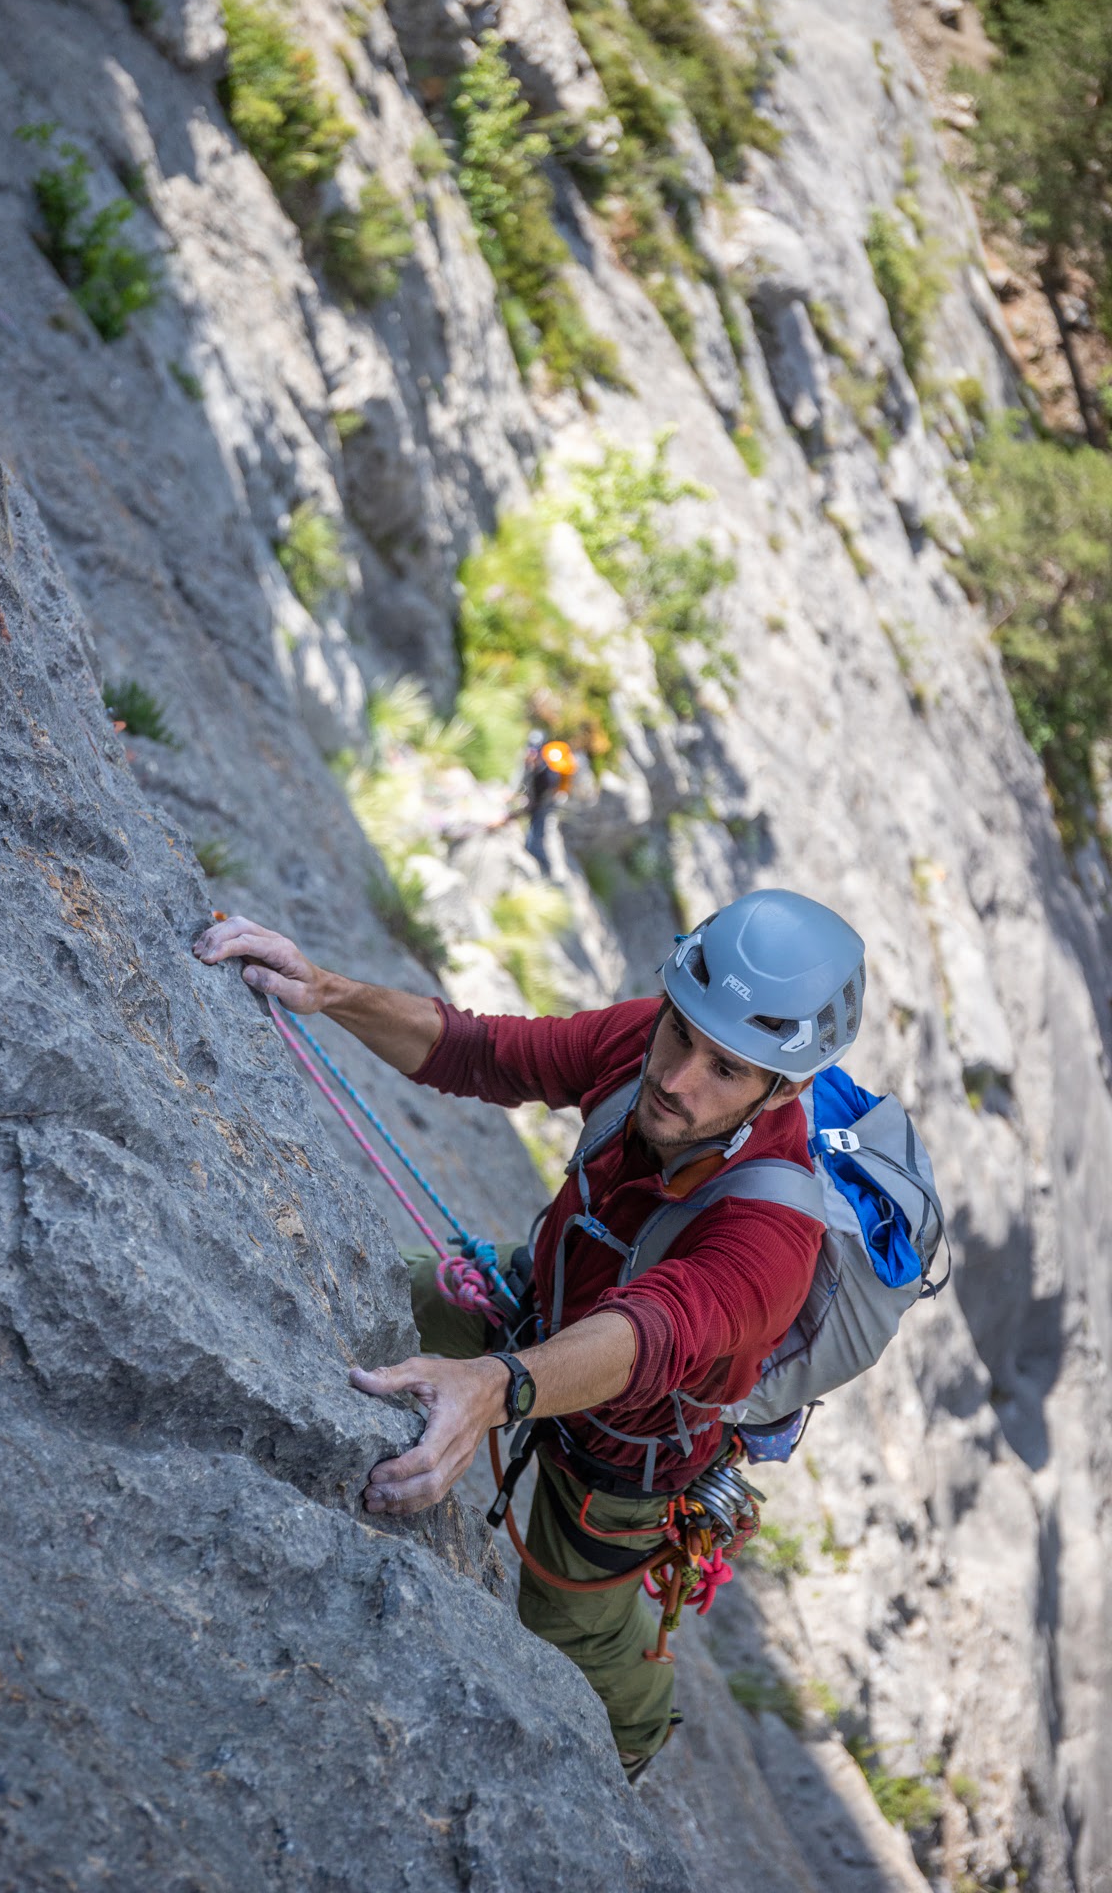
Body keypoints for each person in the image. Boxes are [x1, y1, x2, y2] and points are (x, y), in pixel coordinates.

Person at [192, 889, 866, 1781]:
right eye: (681, 1034)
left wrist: (493, 1386)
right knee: (362, 1297)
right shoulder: (644, 1041)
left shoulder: (772, 1235)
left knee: (568, 1627)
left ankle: (633, 1734)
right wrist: (331, 991)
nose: (676, 1077)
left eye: (726, 1070)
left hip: (626, 1452)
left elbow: (649, 1334)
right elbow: (484, 1052)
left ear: (785, 1088)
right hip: (540, 1301)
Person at [512, 733, 577, 878]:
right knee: (535, 830)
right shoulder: (535, 764)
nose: (531, 754)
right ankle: (541, 864)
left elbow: (541, 798)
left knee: (536, 833)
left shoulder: (550, 775)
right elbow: (526, 781)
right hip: (542, 798)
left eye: (534, 751)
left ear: (540, 751)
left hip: (549, 800)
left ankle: (545, 868)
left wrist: (527, 806)